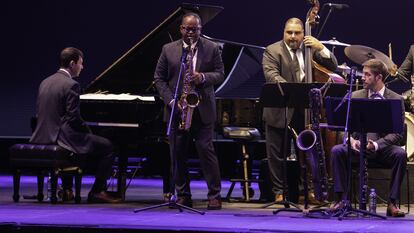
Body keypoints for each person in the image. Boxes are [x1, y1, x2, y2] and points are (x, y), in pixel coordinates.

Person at [262, 17, 338, 203]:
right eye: (290, 32)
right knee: (276, 154)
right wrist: (295, 92)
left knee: (309, 152)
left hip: (305, 111)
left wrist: (321, 48)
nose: (293, 36)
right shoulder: (272, 51)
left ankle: (310, 190)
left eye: (297, 33)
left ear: (303, 33)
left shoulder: (310, 49)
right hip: (280, 108)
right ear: (284, 32)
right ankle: (279, 191)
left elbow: (333, 66)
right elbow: (272, 75)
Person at [30, 47, 120, 203]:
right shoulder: (72, 85)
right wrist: (89, 131)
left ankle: (67, 189)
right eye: (81, 63)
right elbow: (73, 118)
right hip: (62, 137)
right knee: (108, 147)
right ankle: (97, 191)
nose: (82, 67)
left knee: (88, 145)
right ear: (72, 63)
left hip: (42, 135)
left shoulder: (45, 82)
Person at [154, 12, 224, 210]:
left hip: (202, 109)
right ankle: (183, 194)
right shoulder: (168, 49)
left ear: (201, 29)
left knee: (206, 152)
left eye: (195, 29)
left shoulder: (211, 47)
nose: (190, 33)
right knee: (177, 153)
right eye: (187, 29)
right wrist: (171, 100)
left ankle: (214, 195)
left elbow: (220, 74)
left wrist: (202, 77)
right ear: (181, 29)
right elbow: (159, 78)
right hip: (177, 109)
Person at [330, 59, 406, 217]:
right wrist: (351, 140)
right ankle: (341, 200)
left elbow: (398, 133)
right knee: (337, 151)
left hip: (381, 150)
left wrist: (376, 145)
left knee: (400, 154)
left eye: (367, 75)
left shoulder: (396, 99)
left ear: (379, 77)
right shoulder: (354, 95)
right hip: (357, 149)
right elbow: (341, 127)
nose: (362, 78)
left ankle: (391, 203)